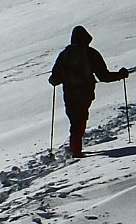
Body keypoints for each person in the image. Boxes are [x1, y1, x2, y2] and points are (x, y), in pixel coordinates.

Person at [48, 25, 127, 158]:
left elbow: (54, 79)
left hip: (69, 93)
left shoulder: (64, 55)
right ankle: (76, 150)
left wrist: (57, 79)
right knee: (81, 119)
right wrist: (121, 75)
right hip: (85, 92)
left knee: (74, 120)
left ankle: (75, 148)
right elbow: (104, 76)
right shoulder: (91, 53)